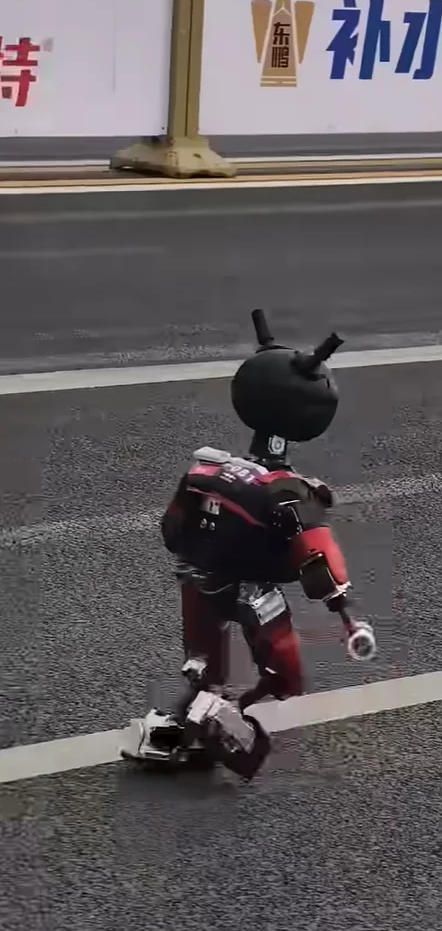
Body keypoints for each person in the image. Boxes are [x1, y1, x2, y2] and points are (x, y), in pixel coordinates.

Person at [126, 310, 375, 776]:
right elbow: (317, 557)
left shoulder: (207, 469)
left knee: (203, 664)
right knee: (283, 675)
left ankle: (191, 721)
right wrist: (349, 615)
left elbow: (172, 530)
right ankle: (217, 719)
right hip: (254, 590)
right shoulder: (288, 492)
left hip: (199, 579)